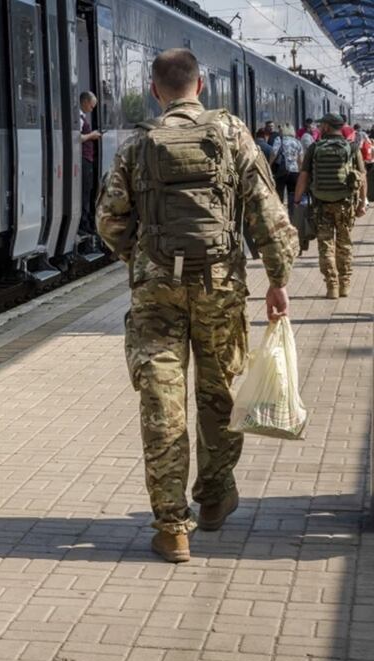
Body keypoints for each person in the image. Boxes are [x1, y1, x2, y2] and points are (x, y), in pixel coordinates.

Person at [96, 48, 297, 564]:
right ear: (201, 86)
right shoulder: (232, 134)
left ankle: (171, 527)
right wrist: (278, 279)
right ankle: (212, 500)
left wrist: (140, 260)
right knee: (217, 394)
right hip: (220, 287)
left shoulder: (138, 143)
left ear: (156, 89)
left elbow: (110, 221)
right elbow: (267, 215)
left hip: (156, 290)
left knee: (162, 402)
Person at [293, 113, 368, 298]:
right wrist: (361, 203)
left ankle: (331, 286)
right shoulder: (351, 148)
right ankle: (345, 284)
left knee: (325, 245)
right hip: (345, 204)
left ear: (326, 127)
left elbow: (304, 176)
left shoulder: (315, 148)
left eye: (321, 125)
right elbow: (362, 176)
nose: (319, 127)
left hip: (321, 205)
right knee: (344, 244)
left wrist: (296, 200)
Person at [78, 92, 103, 235]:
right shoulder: (78, 117)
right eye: (92, 106)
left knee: (88, 192)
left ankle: (86, 223)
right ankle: (83, 225)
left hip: (87, 159)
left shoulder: (83, 117)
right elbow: (77, 137)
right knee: (85, 193)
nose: (92, 109)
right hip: (83, 159)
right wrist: (91, 135)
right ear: (85, 101)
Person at [270, 123, 304, 212]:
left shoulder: (279, 139)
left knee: (279, 193)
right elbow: (300, 159)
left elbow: (274, 153)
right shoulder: (297, 142)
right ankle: (292, 215)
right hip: (294, 172)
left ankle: (280, 214)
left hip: (281, 171)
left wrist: (269, 165)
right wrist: (300, 172)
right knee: (292, 194)